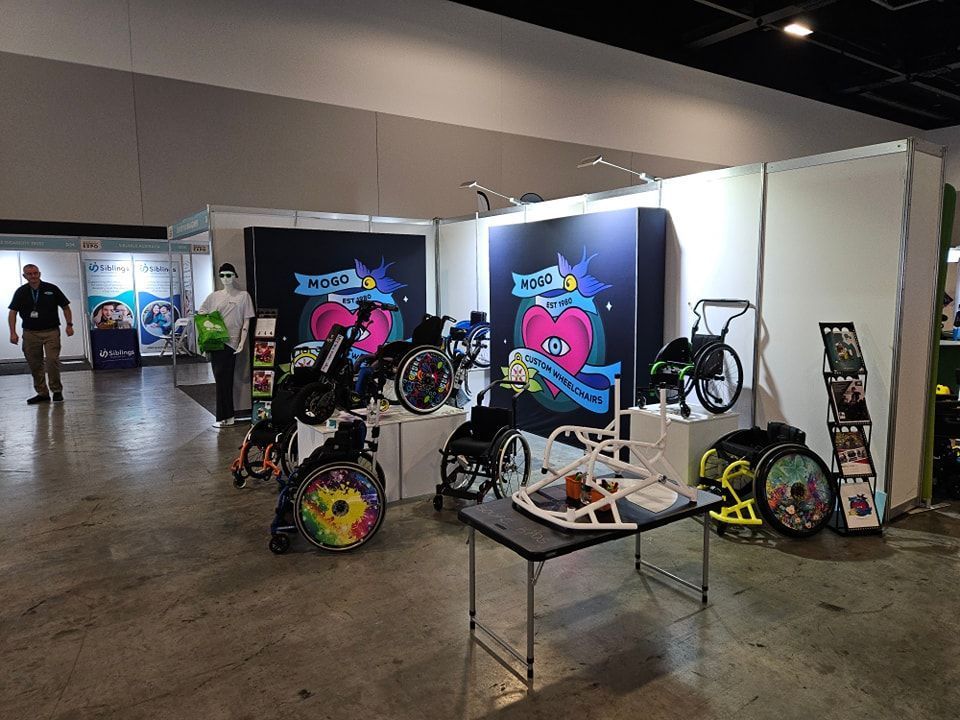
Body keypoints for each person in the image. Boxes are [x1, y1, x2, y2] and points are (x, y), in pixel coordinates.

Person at [8, 264, 74, 404]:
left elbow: (65, 307)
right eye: (29, 274)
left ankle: (56, 390)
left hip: (51, 332)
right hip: (30, 333)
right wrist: (13, 332)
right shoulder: (21, 292)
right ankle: (42, 393)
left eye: (35, 273)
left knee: (52, 361)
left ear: (40, 273)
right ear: (24, 276)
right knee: (35, 364)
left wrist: (69, 325)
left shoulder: (51, 288)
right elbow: (12, 312)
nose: (33, 276)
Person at [199, 263, 255, 428]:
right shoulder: (214, 296)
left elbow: (246, 321)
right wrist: (211, 325)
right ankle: (224, 415)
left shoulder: (243, 296)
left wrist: (242, 343)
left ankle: (227, 415)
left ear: (235, 275)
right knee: (220, 379)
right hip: (217, 341)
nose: (225, 279)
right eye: (222, 275)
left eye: (229, 275)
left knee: (227, 379)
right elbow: (201, 314)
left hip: (232, 343)